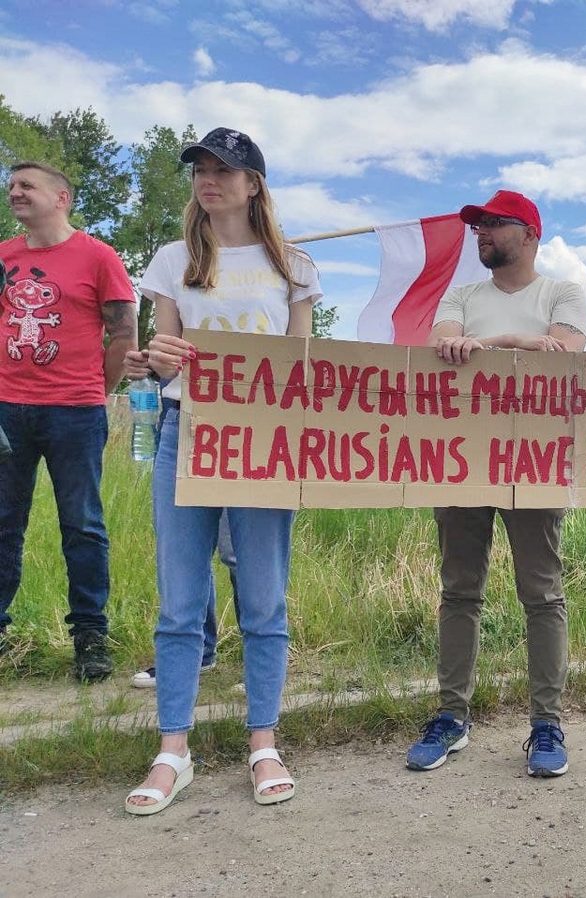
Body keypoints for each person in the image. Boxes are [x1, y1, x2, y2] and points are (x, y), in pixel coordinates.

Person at [124, 128, 322, 815]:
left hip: (264, 441)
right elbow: (163, 351)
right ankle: (172, 749)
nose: (209, 180)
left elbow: (300, 363)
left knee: (264, 601)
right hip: (186, 432)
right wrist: (155, 358)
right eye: (200, 170)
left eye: (224, 169)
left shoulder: (293, 265)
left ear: (254, 183)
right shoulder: (172, 259)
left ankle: (263, 741)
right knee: (181, 602)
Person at [406, 190, 586, 778]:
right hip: (463, 459)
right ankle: (450, 716)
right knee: (460, 589)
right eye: (477, 227)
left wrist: (492, 346)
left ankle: (546, 723)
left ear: (529, 235)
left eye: (493, 225)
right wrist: (515, 344)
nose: (481, 233)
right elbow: (442, 346)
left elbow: (565, 355)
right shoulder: (461, 294)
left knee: (543, 592)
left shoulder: (562, 292)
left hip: (535, 461)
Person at [0, 161, 137, 680]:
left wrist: (98, 392)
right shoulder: (4, 256)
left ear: (61, 198)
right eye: (11, 185)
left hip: (74, 412)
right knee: (3, 523)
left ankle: (90, 636)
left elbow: (124, 333)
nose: (15, 192)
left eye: (26, 185)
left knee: (82, 525)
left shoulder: (98, 257)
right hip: (6, 408)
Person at [121, 351, 240, 689]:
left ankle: (259, 663)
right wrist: (150, 362)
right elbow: (172, 360)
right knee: (186, 551)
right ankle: (196, 653)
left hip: (252, 417)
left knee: (239, 552)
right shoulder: (180, 296)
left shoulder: (284, 294)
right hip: (185, 417)